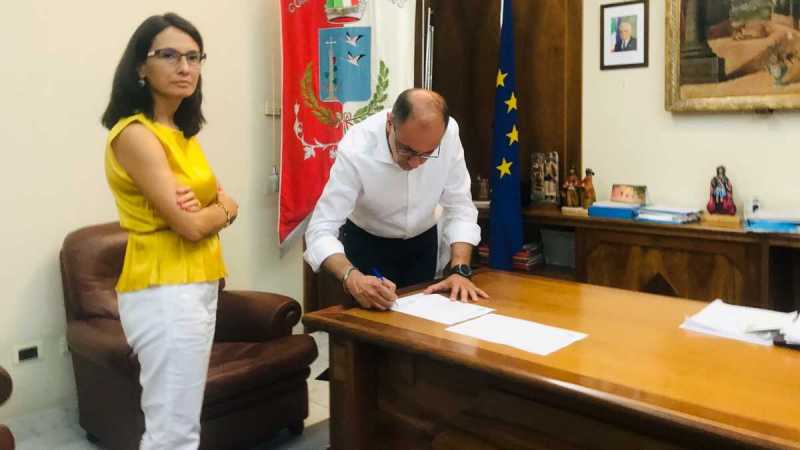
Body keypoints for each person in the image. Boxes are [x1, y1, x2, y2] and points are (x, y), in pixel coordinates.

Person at [101, 13, 238, 450]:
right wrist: (223, 209)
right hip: (165, 288)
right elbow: (193, 224)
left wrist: (215, 207)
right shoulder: (135, 135)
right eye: (170, 55)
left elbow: (214, 202)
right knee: (173, 430)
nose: (185, 67)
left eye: (194, 57)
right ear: (140, 67)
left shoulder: (179, 132)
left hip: (196, 281)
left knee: (182, 421)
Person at [304, 89, 487, 310]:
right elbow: (320, 229)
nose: (415, 163)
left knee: (421, 322)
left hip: (422, 245)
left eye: (427, 153)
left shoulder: (448, 134)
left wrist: (459, 270)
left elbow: (460, 207)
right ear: (390, 123)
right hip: (368, 245)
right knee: (369, 326)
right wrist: (351, 277)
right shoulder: (357, 147)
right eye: (407, 150)